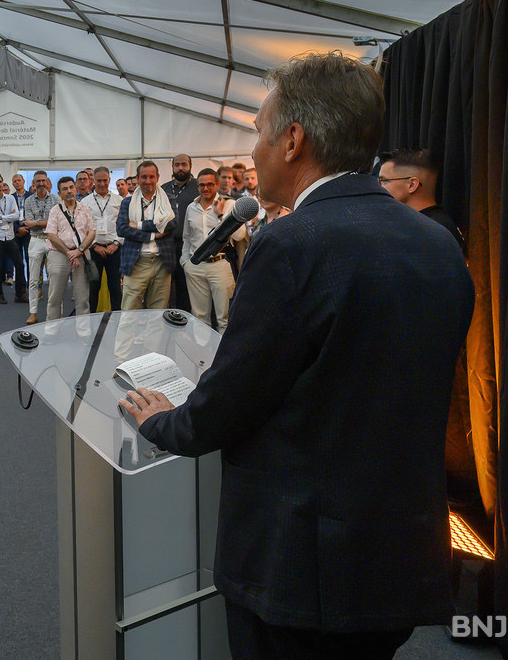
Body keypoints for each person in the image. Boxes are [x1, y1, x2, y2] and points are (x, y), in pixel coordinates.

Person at [120, 52, 474, 659]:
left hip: (301, 567)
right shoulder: (437, 242)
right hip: (397, 556)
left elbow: (230, 404)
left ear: (292, 140)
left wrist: (163, 422)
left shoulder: (291, 244)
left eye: (259, 132)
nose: (254, 150)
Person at [180, 169, 245, 333]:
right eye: (201, 185)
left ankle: (224, 350)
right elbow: (187, 237)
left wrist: (221, 215)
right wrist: (185, 262)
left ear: (217, 184)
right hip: (195, 266)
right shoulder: (191, 207)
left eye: (210, 184)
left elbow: (239, 235)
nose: (205, 188)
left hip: (220, 265)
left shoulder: (229, 204)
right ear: (197, 186)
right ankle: (203, 350)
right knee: (199, 318)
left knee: (225, 318)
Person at [117, 161, 176, 310]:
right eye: (144, 177)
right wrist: (152, 236)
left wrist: (140, 225)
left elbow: (172, 224)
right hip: (136, 263)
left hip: (162, 263)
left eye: (151, 176)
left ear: (157, 177)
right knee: (129, 312)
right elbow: (122, 229)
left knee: (158, 312)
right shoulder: (127, 202)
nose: (148, 181)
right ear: (137, 178)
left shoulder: (168, 199)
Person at [377, 150, 463, 249]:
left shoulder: (431, 231)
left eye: (384, 181)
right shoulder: (434, 225)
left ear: (412, 185)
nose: (379, 187)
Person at [44, 176, 95, 319]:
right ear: (59, 193)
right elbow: (51, 234)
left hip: (82, 255)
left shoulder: (85, 209)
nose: (69, 191)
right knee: (54, 298)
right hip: (59, 254)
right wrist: (69, 252)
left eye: (71, 187)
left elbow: (92, 232)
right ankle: (52, 329)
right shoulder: (55, 210)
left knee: (82, 299)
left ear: (76, 188)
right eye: (65, 189)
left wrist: (79, 251)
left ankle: (83, 331)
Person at [163, 154, 200, 311]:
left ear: (190, 166)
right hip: (166, 244)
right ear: (172, 167)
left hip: (189, 245)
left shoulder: (199, 187)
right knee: (164, 285)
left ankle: (184, 315)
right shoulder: (164, 189)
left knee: (185, 284)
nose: (180, 168)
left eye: (184, 164)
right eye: (177, 165)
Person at [0, 173, 27, 306]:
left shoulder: (10, 198)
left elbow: (17, 216)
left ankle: (19, 294)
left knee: (20, 264)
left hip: (9, 237)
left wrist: (1, 217)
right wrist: (7, 218)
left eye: (0, 181)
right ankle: (0, 295)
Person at [84, 166, 121, 312]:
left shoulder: (119, 200)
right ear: (93, 180)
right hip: (94, 250)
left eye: (105, 180)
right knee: (93, 287)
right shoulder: (85, 202)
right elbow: (83, 228)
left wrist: (116, 243)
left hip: (114, 249)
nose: (102, 184)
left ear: (109, 180)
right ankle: (91, 319)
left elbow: (123, 225)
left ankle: (117, 318)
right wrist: (94, 245)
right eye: (98, 181)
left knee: (115, 287)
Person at [21, 171, 54, 324]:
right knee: (33, 280)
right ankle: (33, 313)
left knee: (54, 279)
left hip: (52, 240)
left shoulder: (56, 199)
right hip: (35, 240)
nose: (41, 184)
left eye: (43, 181)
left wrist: (36, 223)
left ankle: (56, 313)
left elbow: (55, 222)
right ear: (33, 184)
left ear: (47, 182)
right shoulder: (28, 201)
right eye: (38, 181)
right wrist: (42, 223)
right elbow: (28, 223)